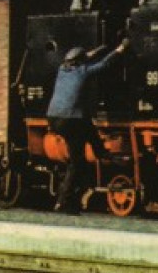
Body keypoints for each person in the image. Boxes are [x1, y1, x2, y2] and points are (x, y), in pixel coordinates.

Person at [48, 37, 128, 214]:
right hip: (70, 119)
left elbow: (87, 56)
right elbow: (104, 65)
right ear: (81, 62)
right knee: (77, 163)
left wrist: (100, 49)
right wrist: (120, 49)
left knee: (87, 126)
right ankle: (63, 202)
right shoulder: (83, 72)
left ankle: (100, 151)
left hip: (54, 118)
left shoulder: (62, 70)